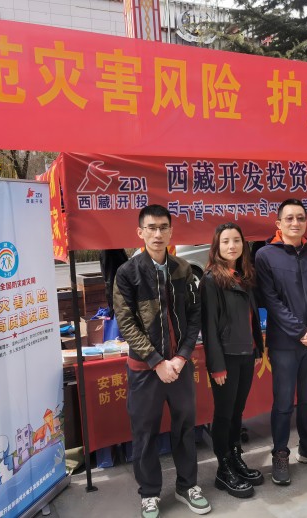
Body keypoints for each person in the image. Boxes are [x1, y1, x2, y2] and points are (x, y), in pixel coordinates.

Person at [113, 205, 210, 518]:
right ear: (140, 232)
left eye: (163, 227)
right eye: (151, 228)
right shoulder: (127, 273)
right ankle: (149, 493)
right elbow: (126, 323)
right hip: (145, 369)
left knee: (185, 427)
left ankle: (187, 485)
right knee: (145, 433)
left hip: (180, 366)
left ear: (171, 232)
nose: (157, 234)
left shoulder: (183, 268)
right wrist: (157, 362)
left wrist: (181, 357)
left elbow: (194, 315)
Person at [255, 198, 307, 486]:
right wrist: (300, 330)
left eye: (300, 218)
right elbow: (270, 300)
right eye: (289, 218)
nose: (295, 223)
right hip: (285, 343)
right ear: (278, 223)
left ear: (306, 222)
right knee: (283, 401)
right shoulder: (265, 255)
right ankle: (280, 453)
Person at [200, 223, 265, 498]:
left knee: (238, 412)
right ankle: (223, 467)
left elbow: (250, 318)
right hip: (225, 358)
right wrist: (216, 366)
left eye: (236, 240)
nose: (231, 246)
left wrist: (256, 348)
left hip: (246, 354)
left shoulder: (243, 275)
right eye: (225, 241)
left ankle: (236, 457)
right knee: (224, 414)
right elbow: (209, 327)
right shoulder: (211, 279)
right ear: (217, 246)